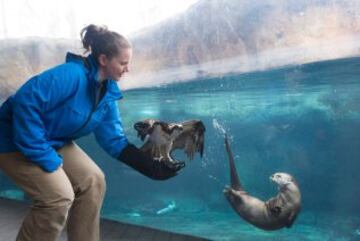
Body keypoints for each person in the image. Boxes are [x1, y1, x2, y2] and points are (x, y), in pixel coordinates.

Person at [0, 24, 184, 241]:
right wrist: (44, 156)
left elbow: (113, 140)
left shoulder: (107, 93)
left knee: (93, 180)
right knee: (58, 197)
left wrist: (147, 166)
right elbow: (25, 102)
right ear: (104, 59)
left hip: (51, 140)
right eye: (123, 63)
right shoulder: (71, 75)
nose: (128, 69)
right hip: (12, 139)